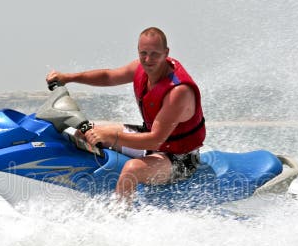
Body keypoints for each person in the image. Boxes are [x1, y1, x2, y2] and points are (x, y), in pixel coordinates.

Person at [45, 27, 206, 198]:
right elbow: (108, 76)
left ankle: (120, 219)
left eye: (154, 54)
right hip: (151, 139)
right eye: (143, 53)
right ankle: (87, 189)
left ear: (166, 53)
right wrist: (68, 78)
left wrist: (111, 136)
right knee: (84, 133)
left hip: (180, 157)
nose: (148, 59)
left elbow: (155, 140)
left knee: (131, 170)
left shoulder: (178, 92)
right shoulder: (140, 67)